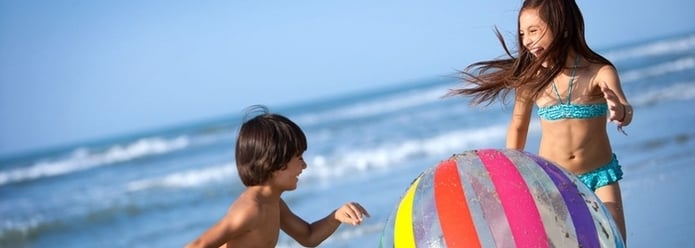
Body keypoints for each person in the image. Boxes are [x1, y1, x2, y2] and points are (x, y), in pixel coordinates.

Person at [447, 0, 631, 242]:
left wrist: (619, 111)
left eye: (534, 31)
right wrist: (507, 175)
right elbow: (518, 126)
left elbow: (625, 109)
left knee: (614, 241)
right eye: (523, 33)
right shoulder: (531, 79)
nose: (527, 40)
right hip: (554, 182)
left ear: (563, 27)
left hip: (600, 176)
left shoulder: (598, 72)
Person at [185, 105, 370, 248]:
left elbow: (308, 236)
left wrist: (335, 217)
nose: (304, 165)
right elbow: (199, 245)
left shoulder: (274, 204)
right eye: (299, 158)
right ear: (275, 163)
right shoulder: (251, 210)